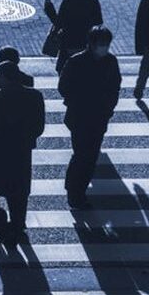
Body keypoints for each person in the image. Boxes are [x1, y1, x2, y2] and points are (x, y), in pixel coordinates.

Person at [0, 61, 45, 247]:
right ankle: (17, 227)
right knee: (18, 192)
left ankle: (0, 225)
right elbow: (39, 127)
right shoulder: (35, 96)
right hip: (21, 152)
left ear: (4, 77)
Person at [59, 26, 121, 210]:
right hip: (79, 116)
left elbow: (115, 87)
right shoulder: (76, 61)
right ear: (92, 44)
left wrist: (108, 108)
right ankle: (74, 191)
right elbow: (63, 87)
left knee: (90, 156)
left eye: (107, 44)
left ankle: (78, 190)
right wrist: (79, 99)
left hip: (99, 117)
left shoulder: (111, 62)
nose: (105, 48)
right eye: (102, 44)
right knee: (82, 155)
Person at [45, 0, 103, 73]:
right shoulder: (93, 2)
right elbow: (99, 22)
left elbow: (59, 23)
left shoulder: (68, 2)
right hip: (86, 43)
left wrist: (50, 11)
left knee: (64, 70)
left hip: (69, 42)